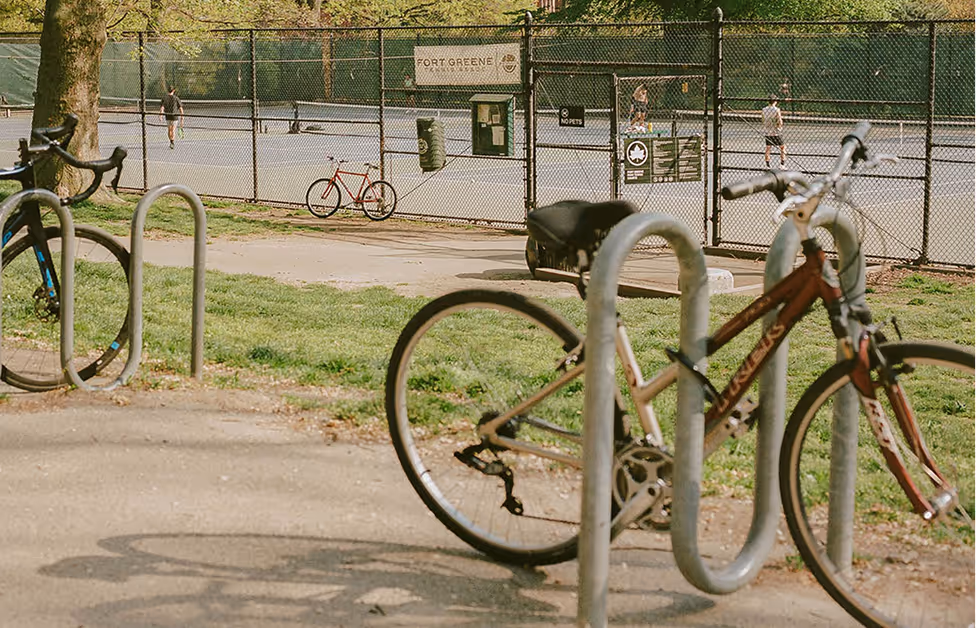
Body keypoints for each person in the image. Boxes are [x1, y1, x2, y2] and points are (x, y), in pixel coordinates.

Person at [762, 95, 787, 169]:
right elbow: (779, 120)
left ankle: (767, 165)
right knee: (782, 147)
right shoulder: (777, 110)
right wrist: (780, 126)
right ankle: (782, 164)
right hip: (776, 132)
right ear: (775, 101)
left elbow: (763, 120)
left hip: (768, 131)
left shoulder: (764, 109)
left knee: (768, 148)